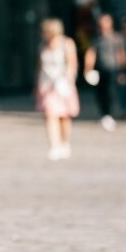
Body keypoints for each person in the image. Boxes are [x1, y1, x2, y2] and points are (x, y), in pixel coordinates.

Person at [35, 18, 79, 160]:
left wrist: (68, 81)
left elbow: (72, 63)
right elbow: (40, 65)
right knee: (50, 114)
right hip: (47, 85)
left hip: (62, 85)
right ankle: (54, 145)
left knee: (64, 117)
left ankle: (65, 142)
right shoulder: (43, 45)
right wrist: (37, 84)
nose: (44, 34)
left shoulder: (67, 43)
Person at [83, 13, 125, 132]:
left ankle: (109, 114)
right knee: (100, 93)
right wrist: (88, 68)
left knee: (110, 92)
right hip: (100, 69)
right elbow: (91, 53)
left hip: (113, 68)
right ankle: (104, 114)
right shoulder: (96, 39)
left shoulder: (116, 38)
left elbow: (120, 54)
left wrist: (122, 70)